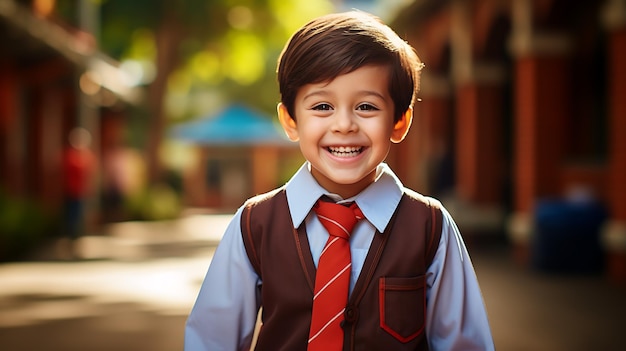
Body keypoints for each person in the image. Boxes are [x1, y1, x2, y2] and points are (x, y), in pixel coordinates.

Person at [185, 10, 494, 351]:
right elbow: (212, 341)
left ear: (400, 122)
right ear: (290, 120)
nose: (344, 125)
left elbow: (465, 344)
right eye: (321, 107)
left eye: (365, 106)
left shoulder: (430, 226)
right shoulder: (254, 225)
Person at [62, 127, 96, 258]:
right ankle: (71, 242)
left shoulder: (86, 156)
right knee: (71, 218)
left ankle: (78, 242)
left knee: (80, 217)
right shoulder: (72, 157)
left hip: (82, 193)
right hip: (71, 193)